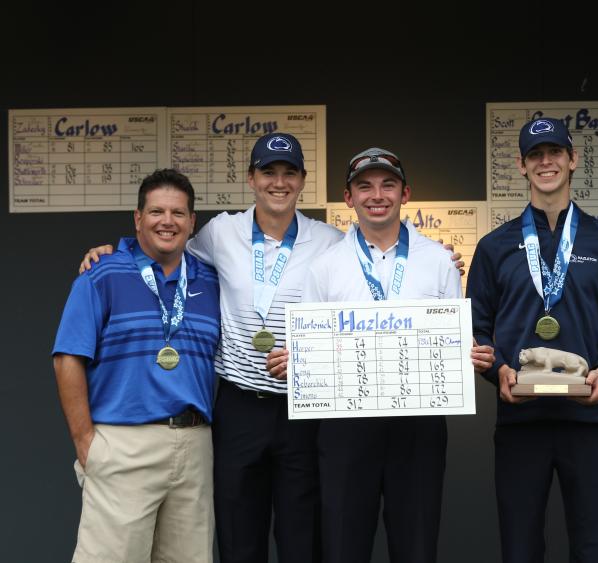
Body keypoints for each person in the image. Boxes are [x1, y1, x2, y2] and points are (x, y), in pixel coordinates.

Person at [79, 133, 465, 562]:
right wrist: (118, 250)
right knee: (239, 537)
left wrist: (438, 255)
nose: (278, 182)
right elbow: (167, 241)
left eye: (289, 173)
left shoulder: (331, 242)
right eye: (268, 172)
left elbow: (379, 257)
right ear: (251, 179)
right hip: (239, 406)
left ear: (302, 181)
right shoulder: (221, 232)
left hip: (302, 411)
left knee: (303, 539)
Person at [265, 148, 494, 563]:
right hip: (345, 430)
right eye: (364, 186)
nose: (377, 195)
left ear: (406, 193)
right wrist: (295, 363)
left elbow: (451, 343)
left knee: (417, 545)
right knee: (343, 546)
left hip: (418, 429)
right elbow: (310, 349)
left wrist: (469, 356)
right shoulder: (325, 265)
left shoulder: (440, 260)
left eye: (388, 184)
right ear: (348, 198)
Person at [467, 117, 598, 562]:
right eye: (535, 156)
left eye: (554, 153)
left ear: (572, 159)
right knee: (521, 548)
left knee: (594, 547)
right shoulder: (494, 246)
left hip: (589, 421)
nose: (546, 163)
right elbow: (477, 329)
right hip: (521, 423)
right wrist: (498, 371)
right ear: (522, 166)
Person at [53, 169, 220, 563]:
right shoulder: (102, 274)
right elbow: (67, 359)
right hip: (123, 444)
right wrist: (87, 444)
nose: (168, 221)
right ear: (137, 218)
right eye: (157, 211)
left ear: (192, 222)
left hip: (194, 446)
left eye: (178, 213)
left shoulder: (210, 279)